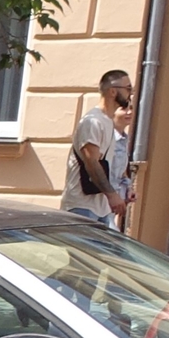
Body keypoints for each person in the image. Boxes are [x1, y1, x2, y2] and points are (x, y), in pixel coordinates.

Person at [64, 69, 133, 229]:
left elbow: (108, 165)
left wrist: (124, 188)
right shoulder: (93, 122)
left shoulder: (108, 121)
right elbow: (92, 163)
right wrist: (112, 195)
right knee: (80, 254)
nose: (130, 93)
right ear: (113, 91)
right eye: (128, 88)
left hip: (101, 209)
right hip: (83, 207)